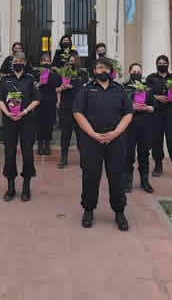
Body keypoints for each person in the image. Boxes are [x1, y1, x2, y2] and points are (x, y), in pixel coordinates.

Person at [73, 57, 133, 230]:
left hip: (116, 141)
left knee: (117, 177)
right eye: (99, 67)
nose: (103, 70)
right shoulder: (86, 90)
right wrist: (93, 134)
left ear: (111, 71)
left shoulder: (120, 90)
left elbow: (128, 113)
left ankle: (119, 212)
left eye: (106, 67)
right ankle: (89, 210)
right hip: (91, 141)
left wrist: (115, 133)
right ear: (94, 71)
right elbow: (77, 112)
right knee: (91, 176)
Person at [0, 51, 41, 202]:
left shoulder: (30, 79)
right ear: (11, 62)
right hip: (9, 121)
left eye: (21, 60)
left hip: (27, 121)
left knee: (27, 154)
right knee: (9, 154)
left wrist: (25, 111)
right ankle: (11, 187)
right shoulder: (6, 80)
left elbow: (36, 99)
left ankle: (26, 187)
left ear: (25, 63)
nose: (18, 63)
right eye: (15, 60)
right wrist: (7, 112)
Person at [148, 54, 172, 181]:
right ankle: (158, 166)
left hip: (171, 114)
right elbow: (145, 94)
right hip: (156, 115)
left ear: (168, 64)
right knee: (156, 141)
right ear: (156, 64)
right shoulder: (151, 78)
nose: (162, 65)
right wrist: (157, 98)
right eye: (160, 63)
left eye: (164, 63)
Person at [123, 62, 155, 194]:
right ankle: (128, 181)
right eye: (134, 71)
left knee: (144, 155)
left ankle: (145, 181)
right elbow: (120, 106)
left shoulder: (147, 88)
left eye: (138, 71)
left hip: (145, 126)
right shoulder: (124, 88)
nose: (136, 74)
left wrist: (147, 107)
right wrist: (132, 107)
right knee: (128, 155)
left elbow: (154, 107)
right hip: (129, 126)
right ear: (129, 72)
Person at [56, 50, 87, 169]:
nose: (71, 63)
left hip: (79, 108)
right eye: (70, 61)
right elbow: (57, 89)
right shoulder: (64, 73)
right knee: (65, 134)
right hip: (66, 107)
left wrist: (72, 86)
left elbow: (83, 87)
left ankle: (84, 157)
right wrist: (60, 90)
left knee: (81, 134)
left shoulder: (82, 73)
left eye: (73, 61)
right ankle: (63, 157)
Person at [35, 51, 59, 156]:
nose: (46, 62)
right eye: (44, 60)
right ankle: (40, 144)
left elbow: (58, 88)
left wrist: (58, 101)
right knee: (39, 123)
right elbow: (32, 87)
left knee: (49, 123)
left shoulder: (54, 73)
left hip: (51, 101)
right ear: (41, 62)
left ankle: (47, 144)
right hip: (39, 101)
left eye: (48, 60)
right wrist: (40, 83)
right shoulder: (36, 73)